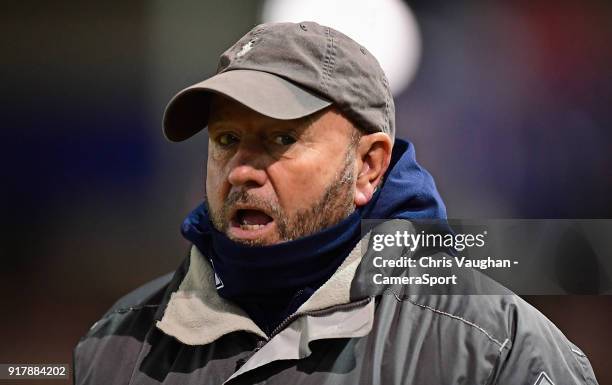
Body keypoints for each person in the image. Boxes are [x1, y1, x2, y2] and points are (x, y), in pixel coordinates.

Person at [73, 21, 599, 385]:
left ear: (368, 166)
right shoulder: (116, 345)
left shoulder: (494, 347)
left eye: (280, 140)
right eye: (227, 140)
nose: (241, 170)